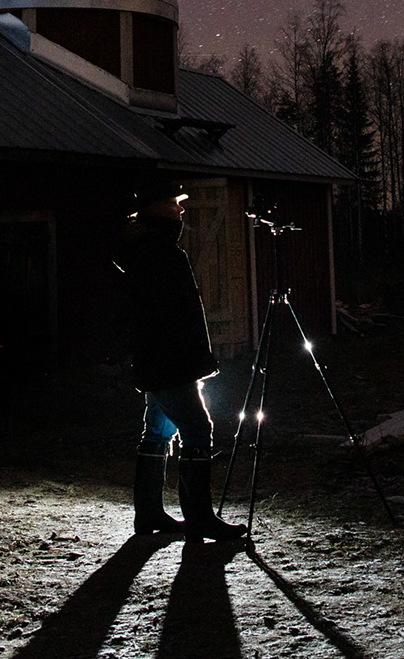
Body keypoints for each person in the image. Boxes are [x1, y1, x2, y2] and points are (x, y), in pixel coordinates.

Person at [114, 183, 247, 541]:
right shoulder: (160, 254)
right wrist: (193, 360)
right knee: (196, 429)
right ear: (159, 211)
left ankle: (150, 514)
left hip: (156, 361)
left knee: (157, 433)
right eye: (175, 205)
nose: (181, 210)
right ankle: (199, 518)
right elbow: (175, 315)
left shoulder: (146, 250)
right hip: (170, 362)